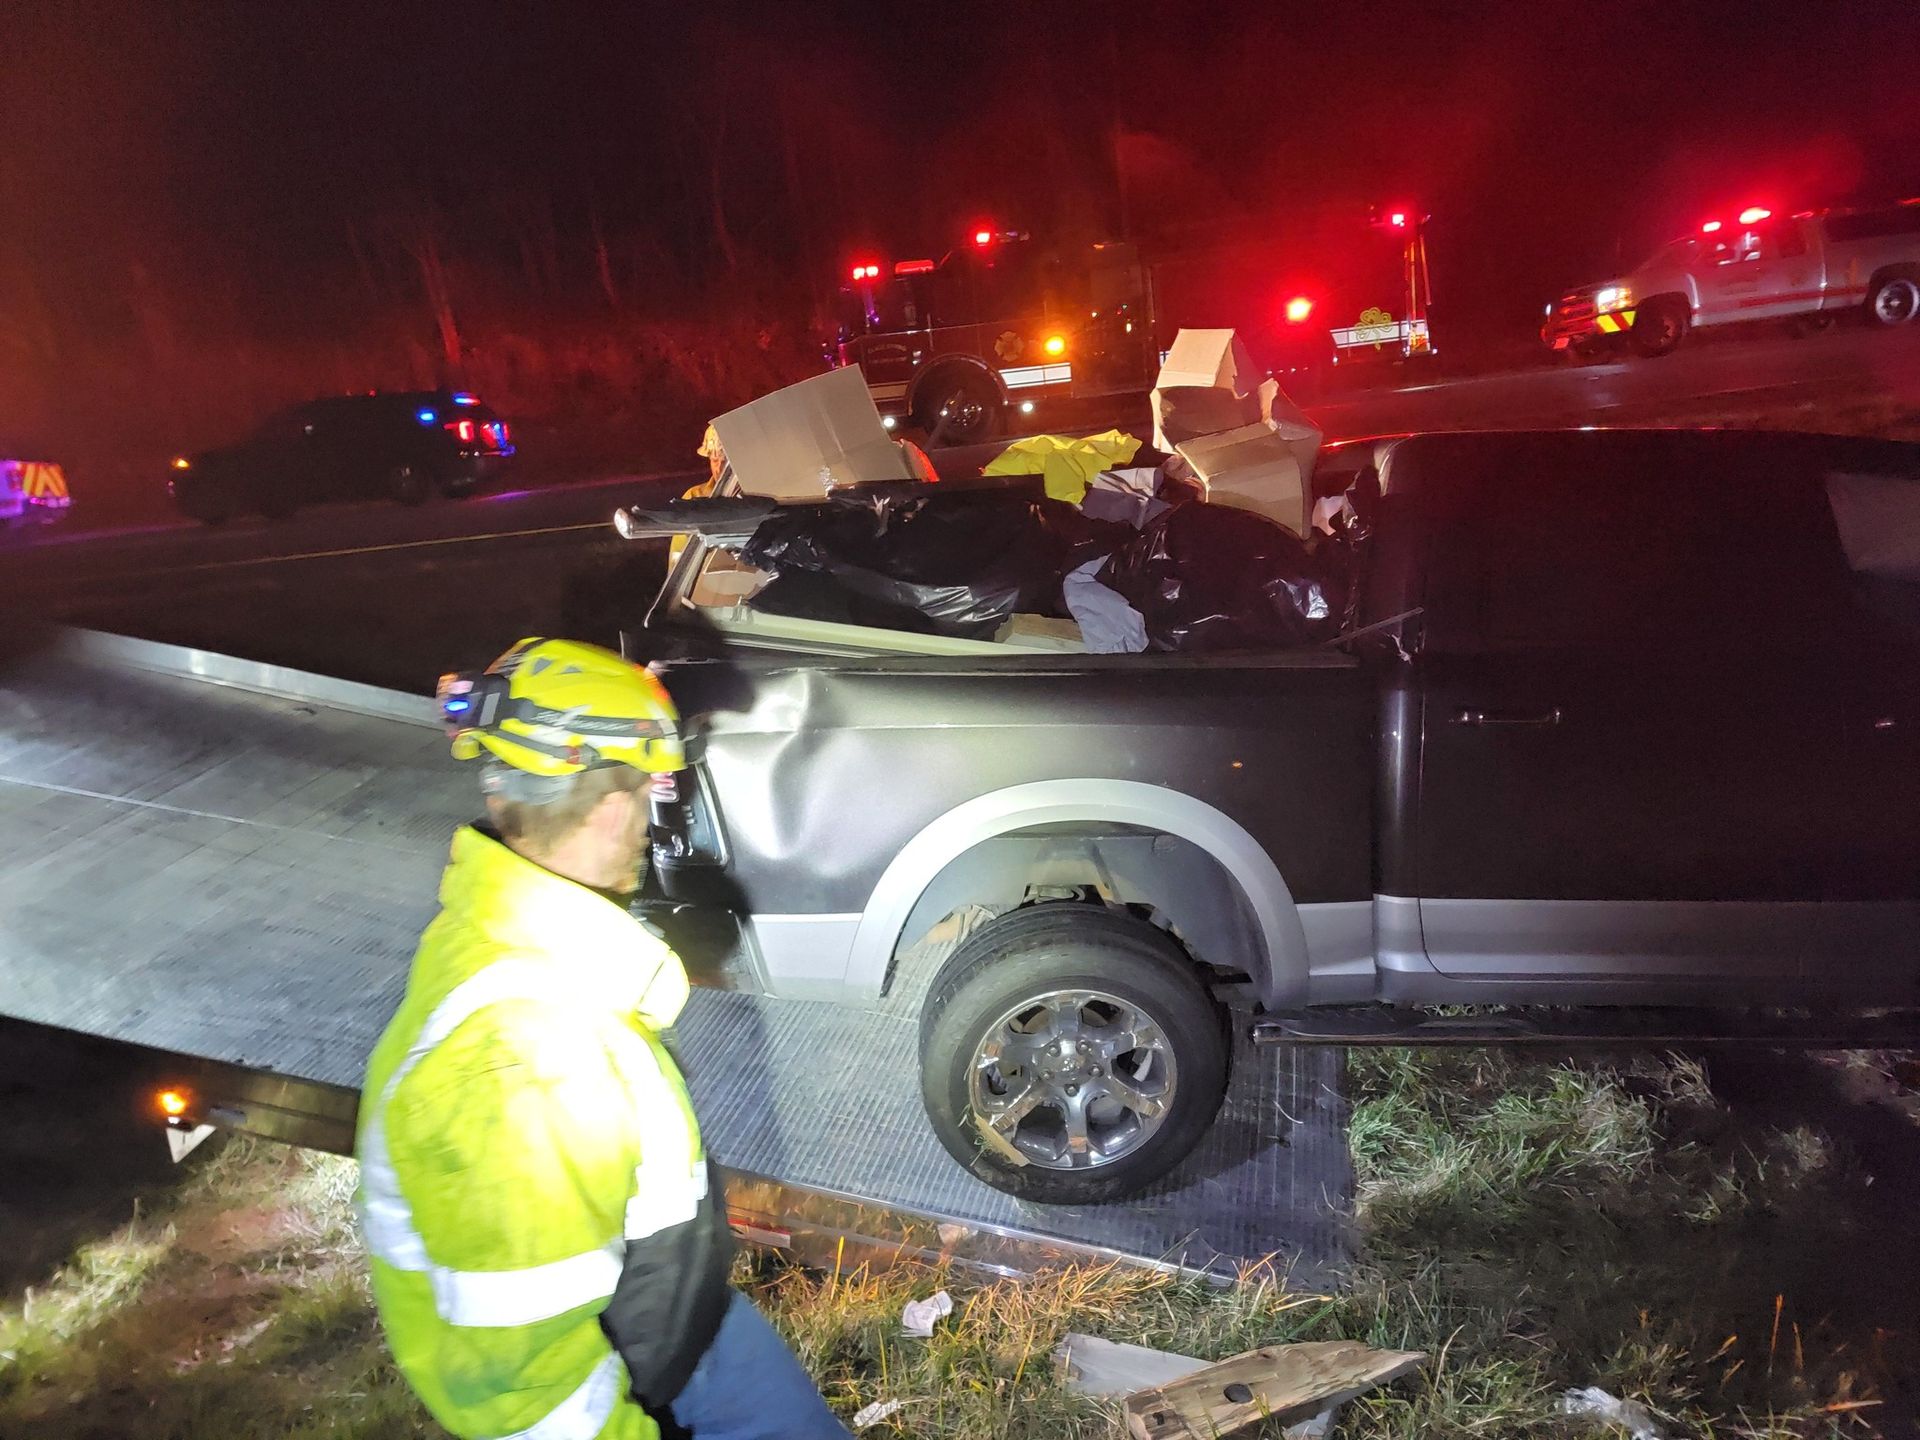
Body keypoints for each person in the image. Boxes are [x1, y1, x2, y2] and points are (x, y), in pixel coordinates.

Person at [356, 637, 849, 1440]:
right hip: (625, 1379)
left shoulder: (503, 930)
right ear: (615, 808)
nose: (654, 824)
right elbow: (534, 1398)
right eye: (650, 794)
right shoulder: (526, 1066)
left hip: (676, 1321)